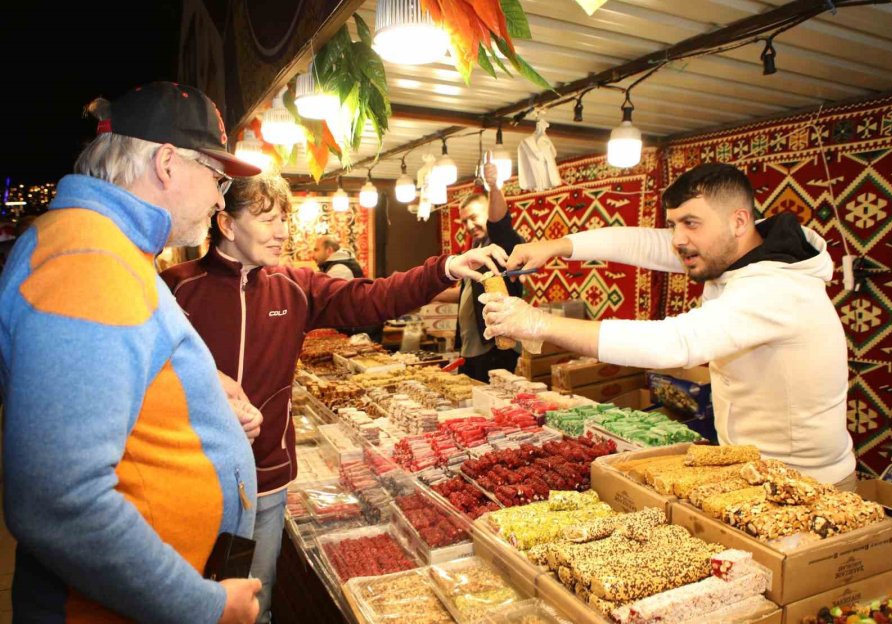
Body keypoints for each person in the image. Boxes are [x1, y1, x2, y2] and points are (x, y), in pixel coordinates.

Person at [161, 173, 507, 623]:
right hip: (192, 481)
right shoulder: (174, 289)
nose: (282, 231)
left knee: (255, 608)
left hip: (267, 481)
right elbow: (146, 381)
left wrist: (442, 269)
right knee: (181, 607)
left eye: (284, 218)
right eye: (267, 219)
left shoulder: (294, 285)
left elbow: (374, 298)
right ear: (226, 223)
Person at [0, 82, 264, 623]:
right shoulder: (88, 261)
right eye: (215, 178)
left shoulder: (111, 247)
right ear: (167, 162)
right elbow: (58, 502)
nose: (219, 199)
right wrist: (206, 607)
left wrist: (198, 391)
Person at [482, 163, 856, 487]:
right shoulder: (735, 250)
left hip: (805, 482)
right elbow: (643, 243)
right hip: (749, 468)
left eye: (690, 223)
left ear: (739, 221)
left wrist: (537, 323)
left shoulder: (776, 286)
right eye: (674, 224)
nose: (678, 239)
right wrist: (556, 246)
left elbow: (674, 342)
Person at [431, 160, 524, 382]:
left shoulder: (504, 244)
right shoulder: (476, 249)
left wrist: (493, 187)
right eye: (464, 222)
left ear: (488, 212)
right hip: (472, 348)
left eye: (474, 217)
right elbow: (465, 295)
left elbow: (500, 224)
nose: (469, 226)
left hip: (495, 347)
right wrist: (422, 292)